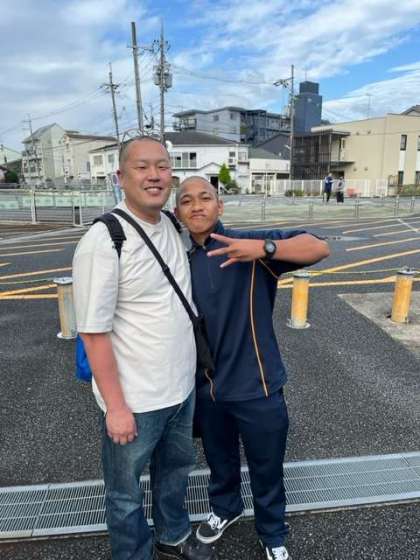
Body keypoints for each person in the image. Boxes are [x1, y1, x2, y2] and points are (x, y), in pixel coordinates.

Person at [73, 138, 214, 560]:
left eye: (162, 167)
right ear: (121, 177)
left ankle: (172, 535)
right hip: (134, 400)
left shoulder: (171, 224)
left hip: (180, 389)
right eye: (142, 167)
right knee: (125, 492)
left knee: (175, 472)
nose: (154, 176)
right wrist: (116, 407)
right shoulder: (105, 240)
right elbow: (93, 334)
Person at [174, 177, 330, 560]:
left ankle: (272, 533)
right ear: (177, 212)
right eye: (187, 201)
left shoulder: (248, 245)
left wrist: (265, 248)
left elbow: (318, 246)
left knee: (267, 467)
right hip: (208, 388)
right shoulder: (178, 260)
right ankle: (225, 508)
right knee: (219, 461)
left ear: (220, 206)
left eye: (205, 198)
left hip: (258, 386)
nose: (197, 206)